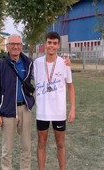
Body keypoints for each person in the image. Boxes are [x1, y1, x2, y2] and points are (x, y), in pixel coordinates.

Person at [0, 34, 35, 170]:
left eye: (18, 44)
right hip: (8, 111)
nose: (15, 46)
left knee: (26, 148)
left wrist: (63, 62)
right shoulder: (1, 65)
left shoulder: (28, 63)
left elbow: (45, 70)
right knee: (7, 150)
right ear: (7, 46)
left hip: (25, 110)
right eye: (12, 44)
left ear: (22, 46)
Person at [34, 31, 75, 170]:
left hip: (59, 111)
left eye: (55, 43)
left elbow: (70, 87)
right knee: (41, 142)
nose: (51, 46)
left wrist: (72, 109)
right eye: (49, 42)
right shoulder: (37, 63)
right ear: (45, 44)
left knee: (61, 143)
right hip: (42, 112)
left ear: (58, 45)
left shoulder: (64, 64)